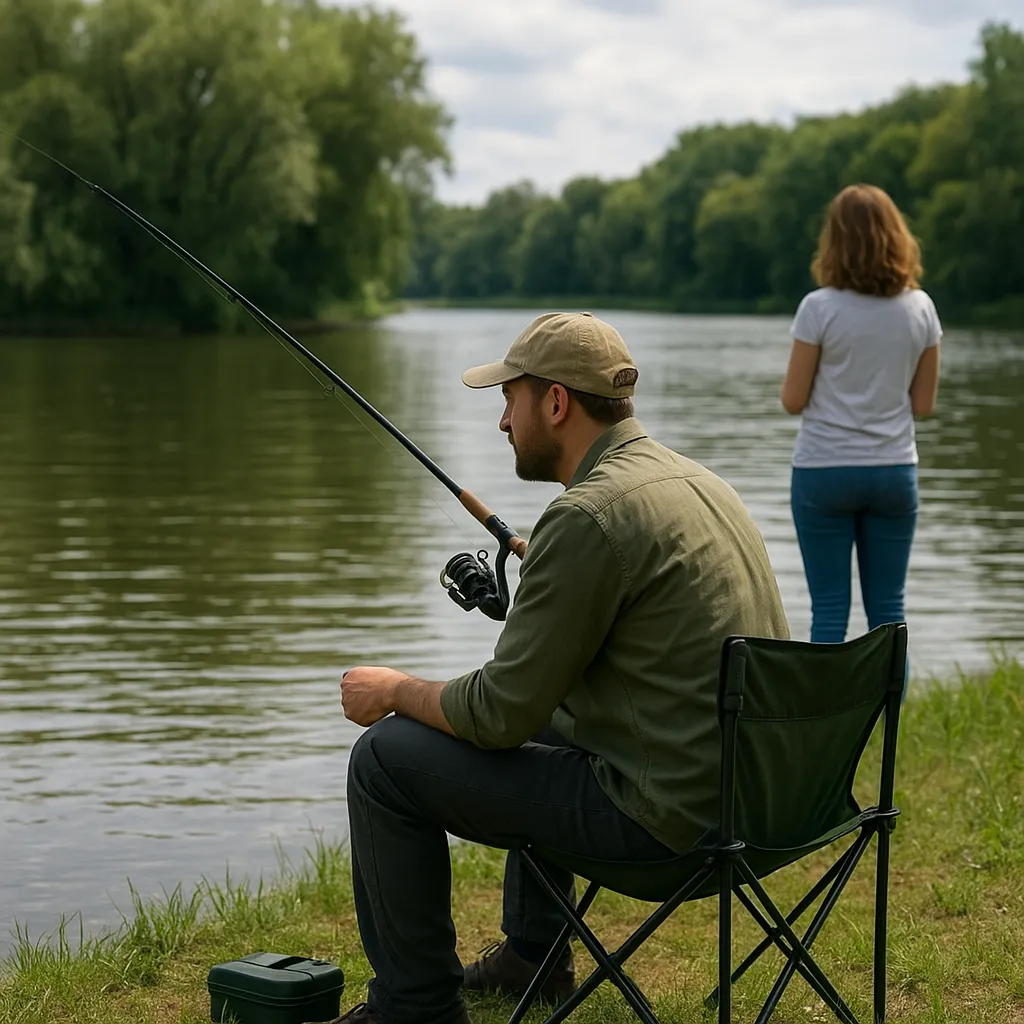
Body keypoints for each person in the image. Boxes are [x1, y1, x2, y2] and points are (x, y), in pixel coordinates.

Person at [335, 311, 790, 1024]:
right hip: (770, 807)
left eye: (509, 401)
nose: (503, 424)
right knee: (550, 718)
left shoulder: (587, 516)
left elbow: (497, 713)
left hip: (672, 829)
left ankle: (413, 1008)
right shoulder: (699, 482)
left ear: (555, 402)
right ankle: (533, 960)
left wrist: (395, 689)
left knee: (383, 761)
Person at [781, 183, 941, 647]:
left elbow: (793, 400)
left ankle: (826, 722)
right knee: (889, 614)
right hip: (893, 471)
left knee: (829, 611)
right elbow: (924, 406)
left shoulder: (819, 308)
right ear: (897, 236)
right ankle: (890, 722)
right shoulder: (921, 308)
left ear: (836, 241)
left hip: (823, 472)